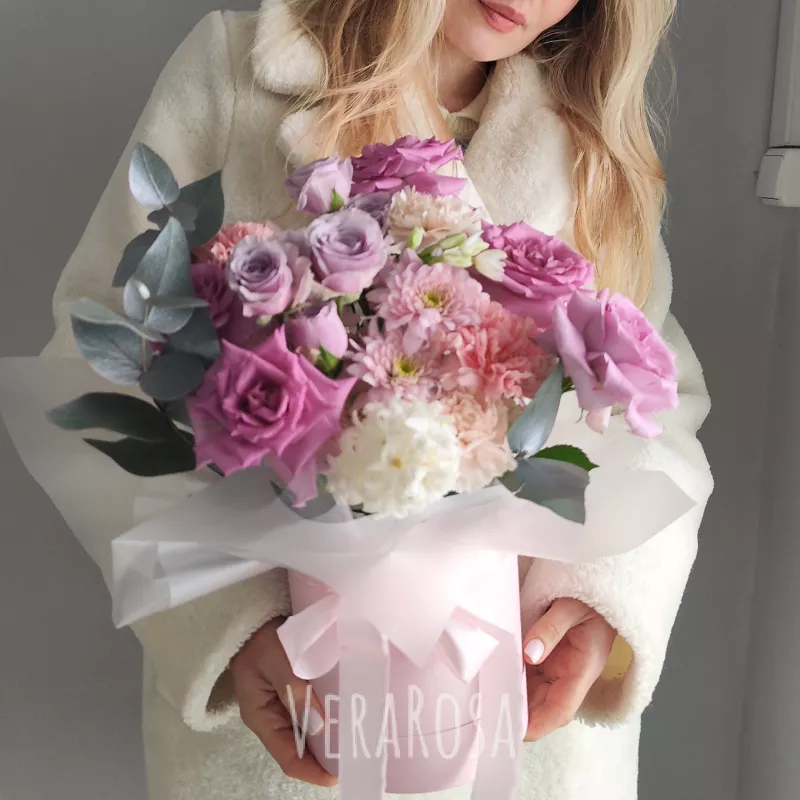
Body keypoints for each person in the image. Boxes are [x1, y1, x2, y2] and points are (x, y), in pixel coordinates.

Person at [41, 1, 714, 798]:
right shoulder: (241, 70)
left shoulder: (586, 139)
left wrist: (598, 599)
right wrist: (231, 622)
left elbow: (658, 404)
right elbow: (102, 360)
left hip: (527, 730)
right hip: (295, 713)